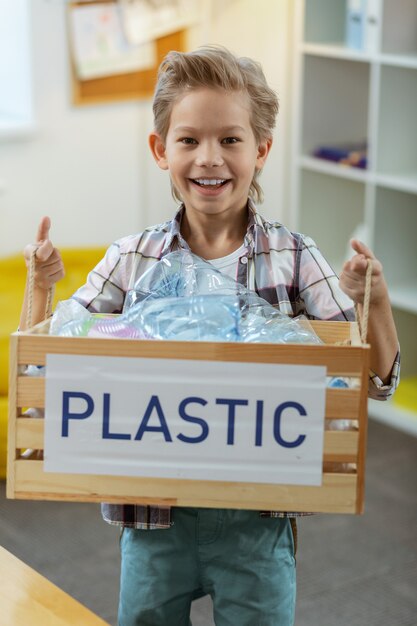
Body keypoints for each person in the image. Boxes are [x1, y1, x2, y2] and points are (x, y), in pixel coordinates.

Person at [20, 46, 399, 626]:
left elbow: (375, 381)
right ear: (160, 149)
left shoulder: (296, 260)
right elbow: (43, 368)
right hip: (153, 521)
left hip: (259, 522)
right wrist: (42, 289)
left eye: (231, 139)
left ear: (261, 150)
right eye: (189, 140)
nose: (209, 159)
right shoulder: (132, 258)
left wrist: (373, 300)